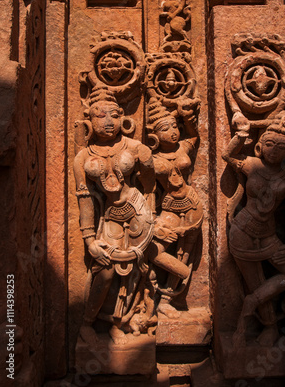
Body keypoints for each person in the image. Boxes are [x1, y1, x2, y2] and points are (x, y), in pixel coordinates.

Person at [74, 86, 156, 344]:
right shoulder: (83, 157)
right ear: (89, 120)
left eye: (113, 115)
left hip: (137, 209)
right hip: (109, 214)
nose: (108, 122)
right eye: (100, 116)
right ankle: (89, 322)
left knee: (133, 271)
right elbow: (85, 201)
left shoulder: (134, 147)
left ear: (123, 117)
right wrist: (89, 241)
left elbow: (150, 185)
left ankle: (121, 319)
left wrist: (151, 212)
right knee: (106, 269)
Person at [222, 111, 285, 347]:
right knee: (255, 280)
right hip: (242, 233)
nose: (274, 150)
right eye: (269, 144)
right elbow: (227, 155)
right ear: (259, 147)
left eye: (281, 146)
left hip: (268, 236)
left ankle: (252, 302)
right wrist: (242, 132)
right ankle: (270, 327)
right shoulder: (251, 164)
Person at [146, 97, 203, 318]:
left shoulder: (183, 148)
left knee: (184, 253)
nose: (172, 132)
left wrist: (186, 117)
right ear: (153, 136)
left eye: (173, 126)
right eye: (164, 128)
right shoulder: (150, 158)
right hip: (168, 206)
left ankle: (167, 301)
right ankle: (178, 275)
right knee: (153, 250)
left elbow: (194, 136)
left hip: (192, 204)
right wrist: (153, 225)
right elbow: (148, 192)